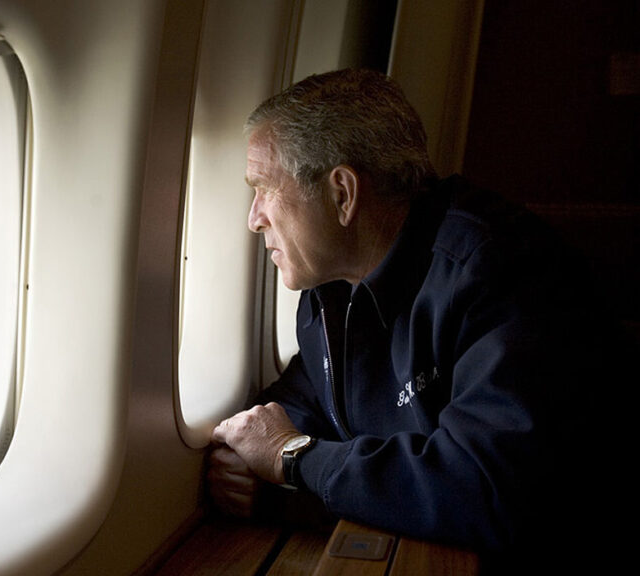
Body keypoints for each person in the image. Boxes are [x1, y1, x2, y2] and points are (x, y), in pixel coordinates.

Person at [207, 68, 628, 572]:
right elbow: (306, 404)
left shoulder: (499, 273)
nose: (254, 217)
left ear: (342, 194)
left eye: (264, 189)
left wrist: (290, 458)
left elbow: (481, 488)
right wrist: (254, 457)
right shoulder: (331, 291)